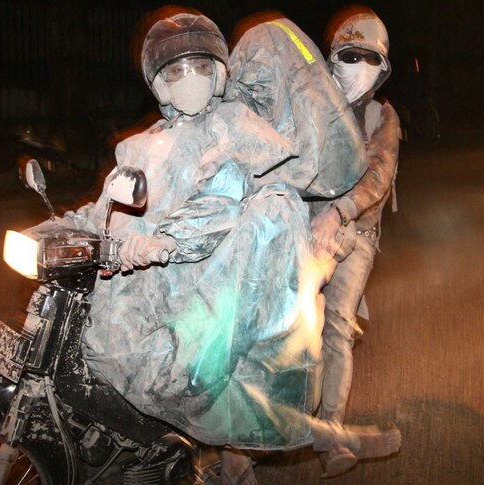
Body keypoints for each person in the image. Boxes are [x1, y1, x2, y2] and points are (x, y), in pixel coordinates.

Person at [65, 8, 389, 484]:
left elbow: (221, 199)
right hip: (155, 280)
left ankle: (324, 432)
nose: (188, 79)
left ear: (219, 75)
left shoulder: (236, 128)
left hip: (207, 279)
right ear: (158, 83)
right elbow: (113, 197)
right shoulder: (152, 140)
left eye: (199, 67)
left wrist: (162, 242)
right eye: (175, 71)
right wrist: (65, 226)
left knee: (311, 335)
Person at [309, 6, 403, 478]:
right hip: (303, 222)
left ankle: (330, 434)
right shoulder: (313, 102)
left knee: (337, 323)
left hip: (357, 228)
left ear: (381, 68)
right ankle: (239, 443)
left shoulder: (382, 117)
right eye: (350, 55)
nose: (358, 66)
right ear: (333, 58)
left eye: (369, 58)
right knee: (268, 319)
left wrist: (339, 211)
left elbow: (379, 177)